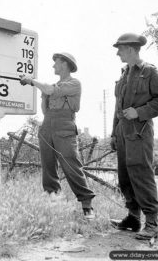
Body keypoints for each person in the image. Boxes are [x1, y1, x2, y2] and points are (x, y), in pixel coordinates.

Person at [20, 52, 95, 219]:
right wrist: (44, 95)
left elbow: (48, 89)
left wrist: (31, 80)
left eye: (57, 63)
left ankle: (87, 205)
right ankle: (54, 204)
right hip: (48, 124)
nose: (54, 66)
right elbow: (45, 110)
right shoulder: (52, 85)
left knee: (71, 165)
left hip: (64, 124)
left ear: (65, 65)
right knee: (48, 166)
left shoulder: (74, 83)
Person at [110, 33, 158, 240]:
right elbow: (118, 107)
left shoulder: (150, 72)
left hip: (140, 132)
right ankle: (133, 218)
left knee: (141, 175)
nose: (118, 53)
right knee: (125, 175)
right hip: (123, 133)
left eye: (121, 49)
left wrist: (139, 112)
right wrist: (114, 133)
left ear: (132, 50)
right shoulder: (124, 74)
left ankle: (152, 224)